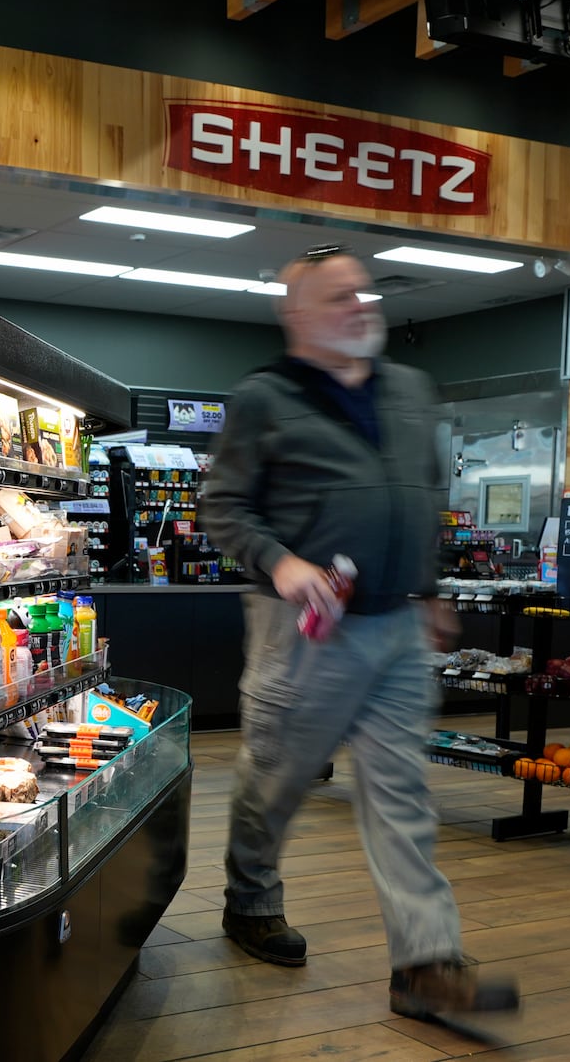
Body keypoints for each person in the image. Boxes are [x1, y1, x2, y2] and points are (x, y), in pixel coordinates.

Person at [200, 246, 519, 1020]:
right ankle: (250, 898)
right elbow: (223, 508)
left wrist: (434, 590)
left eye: (363, 292)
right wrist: (280, 563)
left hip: (398, 625)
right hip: (303, 627)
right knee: (276, 779)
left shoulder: (410, 390)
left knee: (402, 794)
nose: (360, 305)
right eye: (338, 296)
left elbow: (422, 496)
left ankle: (425, 962)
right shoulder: (264, 398)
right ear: (298, 315)